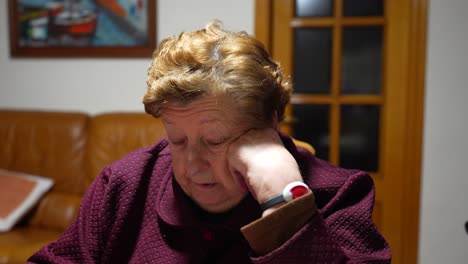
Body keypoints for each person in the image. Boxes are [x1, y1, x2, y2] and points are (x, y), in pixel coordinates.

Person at [28, 21, 391, 263]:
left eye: (215, 140)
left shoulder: (341, 194)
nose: (191, 165)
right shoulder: (122, 185)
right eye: (177, 139)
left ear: (268, 125)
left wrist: (283, 202)